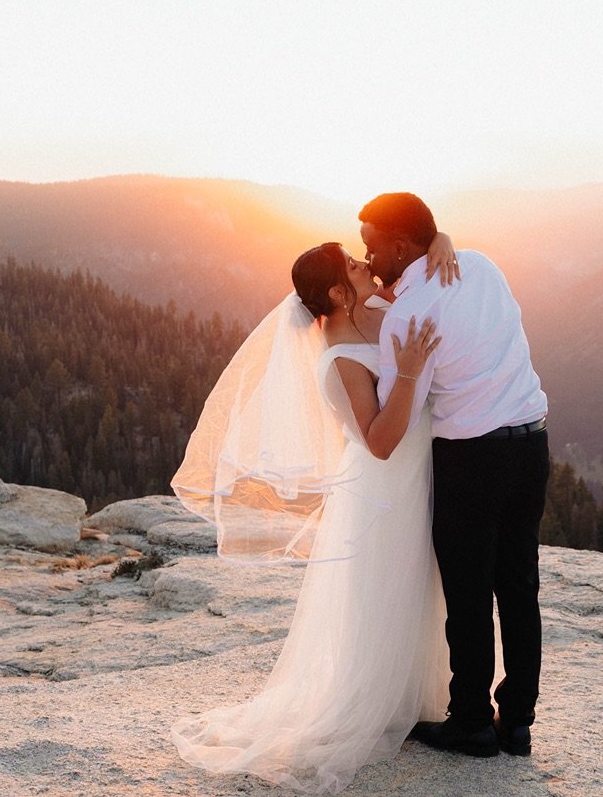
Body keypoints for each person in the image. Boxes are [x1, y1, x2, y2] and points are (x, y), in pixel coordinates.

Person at [170, 237, 457, 793]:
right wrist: (409, 373)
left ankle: (425, 698)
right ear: (337, 293)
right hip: (386, 491)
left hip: (421, 475)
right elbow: (380, 442)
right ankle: (380, 703)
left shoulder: (370, 311)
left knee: (427, 586)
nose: (365, 264)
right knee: (393, 591)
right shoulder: (341, 357)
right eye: (352, 264)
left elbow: (412, 270)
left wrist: (437, 240)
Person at [359, 192, 550, 759]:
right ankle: (517, 722)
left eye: (372, 247)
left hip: (472, 459)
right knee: (519, 585)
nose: (367, 259)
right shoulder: (482, 266)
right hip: (532, 441)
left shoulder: (407, 318)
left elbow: (395, 425)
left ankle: (470, 721)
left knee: (469, 594)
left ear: (400, 246)